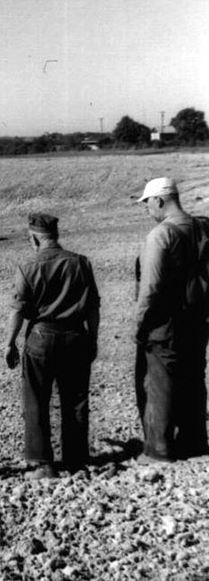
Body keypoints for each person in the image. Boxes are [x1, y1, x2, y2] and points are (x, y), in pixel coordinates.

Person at [5, 213, 100, 479]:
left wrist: (9, 343)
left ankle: (41, 463)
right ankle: (76, 461)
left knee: (36, 399)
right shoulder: (80, 263)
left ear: (34, 238)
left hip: (41, 338)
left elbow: (18, 310)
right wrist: (93, 338)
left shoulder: (28, 266)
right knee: (76, 399)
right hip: (75, 337)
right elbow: (93, 307)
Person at [134, 177, 209, 462]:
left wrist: (139, 323)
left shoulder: (160, 235)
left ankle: (158, 450)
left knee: (160, 382)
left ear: (160, 201)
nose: (146, 209)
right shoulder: (202, 227)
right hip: (197, 318)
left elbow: (150, 288)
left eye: (147, 203)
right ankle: (195, 441)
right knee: (193, 377)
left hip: (165, 323)